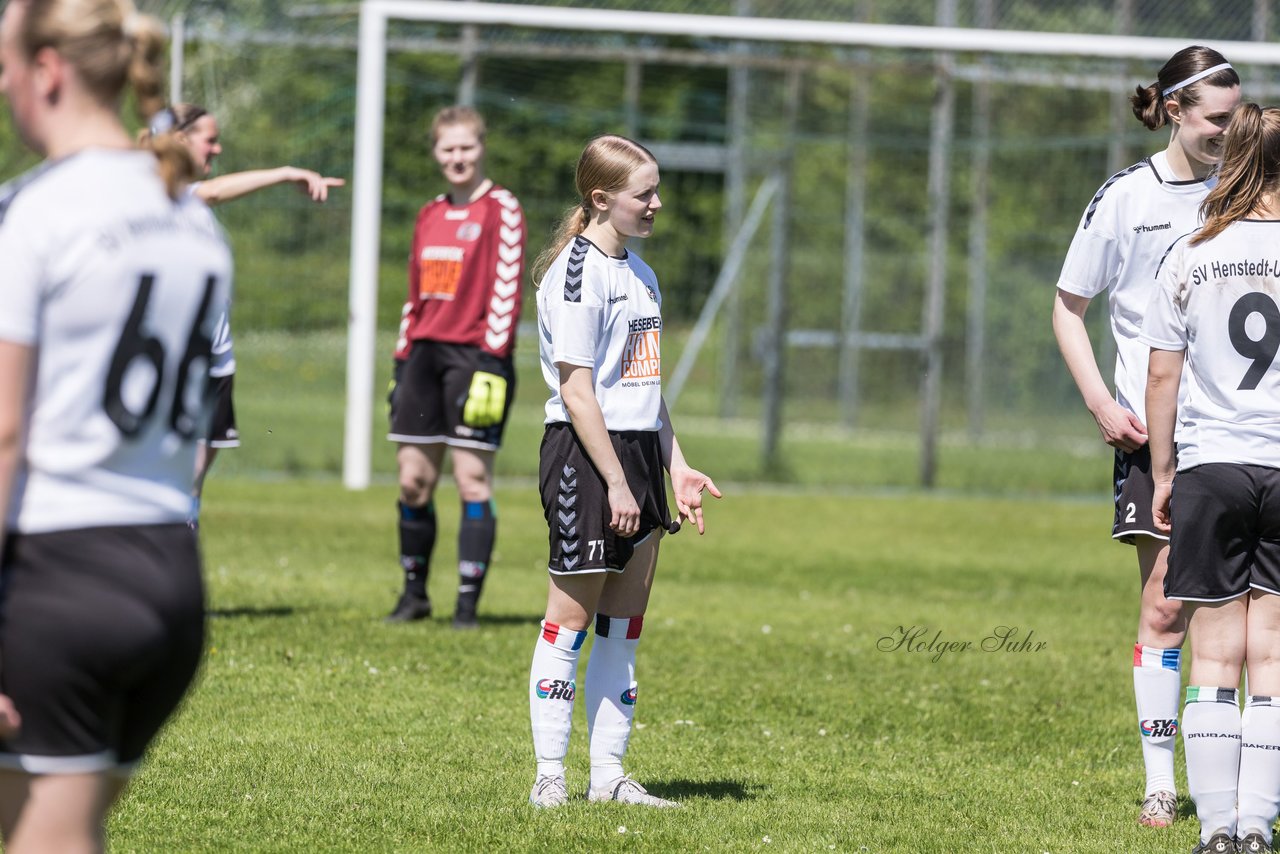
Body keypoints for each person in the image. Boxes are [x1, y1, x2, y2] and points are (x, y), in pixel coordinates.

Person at [0, 0, 233, 849]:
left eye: (6, 70)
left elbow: (4, 432)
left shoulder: (35, 212)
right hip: (168, 575)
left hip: (56, 580)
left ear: (49, 71)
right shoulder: (191, 213)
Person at [1051, 45, 1240, 829]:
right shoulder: (1126, 198)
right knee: (1166, 610)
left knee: (1243, 614)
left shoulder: (1253, 195)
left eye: (1239, 119)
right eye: (1216, 121)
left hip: (1241, 432)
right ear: (1174, 111)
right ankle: (1162, 782)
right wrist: (1101, 401)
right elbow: (1067, 306)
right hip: (1154, 437)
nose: (1229, 135)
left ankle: (1237, 785)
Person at [526, 134, 721, 809]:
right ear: (601, 198)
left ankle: (607, 776)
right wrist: (612, 481)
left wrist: (678, 465)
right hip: (587, 456)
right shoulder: (574, 276)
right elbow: (579, 393)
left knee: (624, 623)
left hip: (635, 454)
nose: (657, 204)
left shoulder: (642, 273)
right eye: (646, 194)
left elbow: (644, 388)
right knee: (570, 618)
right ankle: (550, 775)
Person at [1144, 101, 1280, 854]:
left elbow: (1163, 374)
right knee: (1274, 660)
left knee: (1216, 659)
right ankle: (1260, 826)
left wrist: (1165, 473)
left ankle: (1219, 829)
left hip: (1212, 463)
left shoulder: (1193, 248)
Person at [145, 103, 344, 525]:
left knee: (190, 487)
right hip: (179, 367)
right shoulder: (161, 196)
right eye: (209, 140)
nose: (216, 150)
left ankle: (171, 580)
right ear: (180, 140)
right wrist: (287, 173)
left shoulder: (190, 207)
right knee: (171, 488)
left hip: (216, 365)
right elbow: (212, 190)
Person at [385, 105, 523, 628]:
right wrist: (402, 360)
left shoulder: (502, 207)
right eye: (448, 148)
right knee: (413, 480)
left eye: (466, 147)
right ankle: (414, 594)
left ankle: (467, 605)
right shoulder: (429, 213)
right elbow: (414, 293)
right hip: (422, 356)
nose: (457, 157)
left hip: (476, 358)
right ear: (436, 152)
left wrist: (492, 361)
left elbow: (507, 288)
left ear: (481, 147)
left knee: (471, 479)